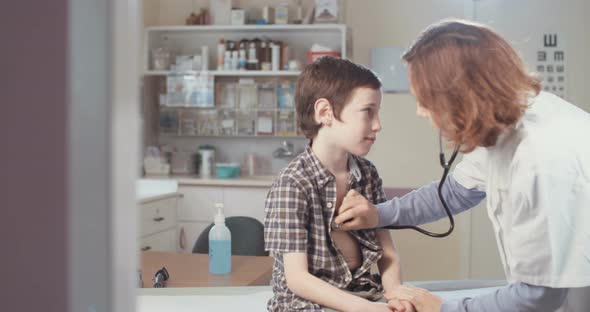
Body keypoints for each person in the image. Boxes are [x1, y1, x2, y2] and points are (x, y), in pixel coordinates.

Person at [333, 19, 590, 311]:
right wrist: (379, 214)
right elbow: (453, 193)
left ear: (459, 97)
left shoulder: (541, 159)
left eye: (426, 100)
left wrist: (442, 309)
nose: (419, 111)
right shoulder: (506, 121)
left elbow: (538, 296)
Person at [264, 57, 414, 312]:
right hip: (306, 305)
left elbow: (387, 254)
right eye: (368, 112)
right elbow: (298, 279)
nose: (378, 125)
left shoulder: (367, 174)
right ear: (325, 113)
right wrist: (367, 310)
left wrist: (395, 296)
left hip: (363, 295)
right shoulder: (293, 184)